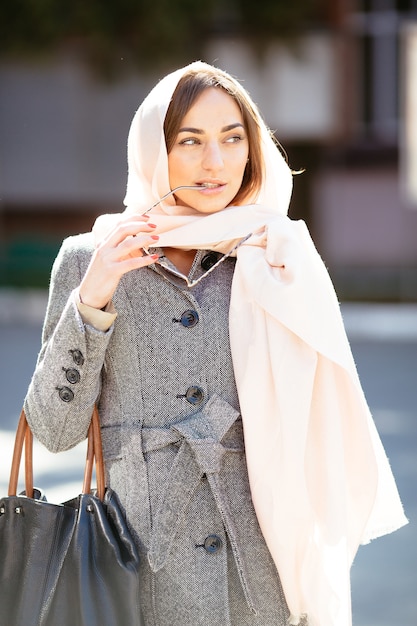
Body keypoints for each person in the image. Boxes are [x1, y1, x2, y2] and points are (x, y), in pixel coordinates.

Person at [24, 61, 407, 626]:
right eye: (190, 141)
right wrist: (94, 299)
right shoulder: (93, 258)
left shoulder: (273, 257)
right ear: (156, 151)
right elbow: (54, 431)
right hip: (138, 568)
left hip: (264, 565)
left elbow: (317, 418)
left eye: (233, 139)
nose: (216, 163)